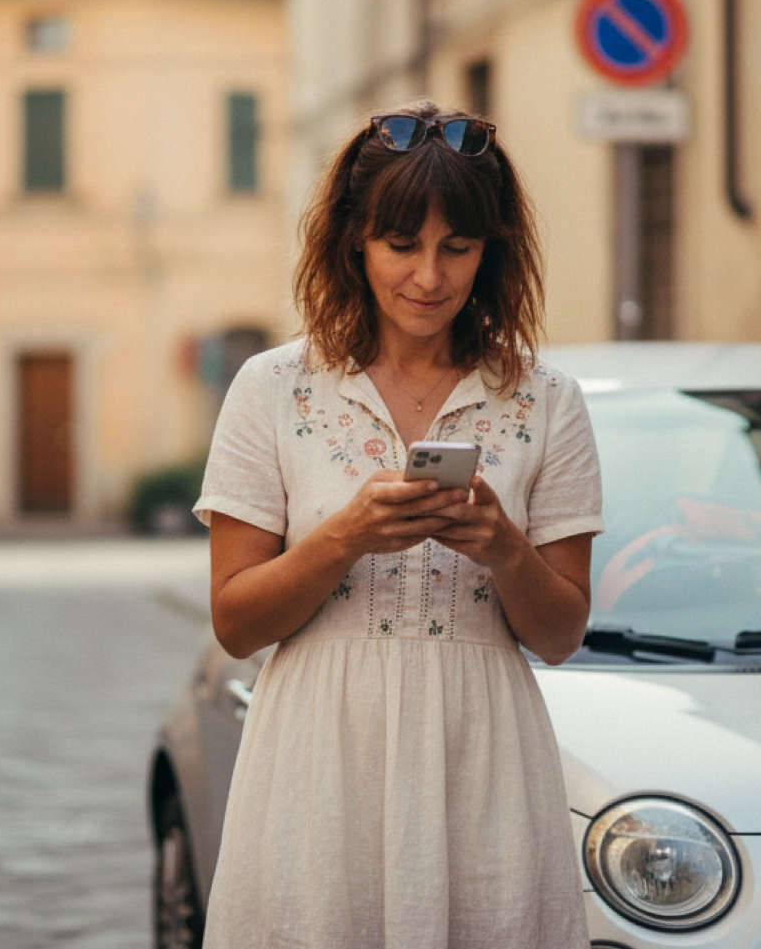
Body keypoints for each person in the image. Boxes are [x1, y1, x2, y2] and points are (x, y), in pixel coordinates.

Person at [192, 102, 603, 948]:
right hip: (317, 764)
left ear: (492, 251)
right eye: (401, 243)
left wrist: (504, 547)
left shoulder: (547, 401)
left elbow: (562, 632)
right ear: (354, 240)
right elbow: (236, 622)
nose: (429, 274)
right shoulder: (272, 389)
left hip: (483, 763)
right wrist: (347, 535)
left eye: (457, 246)